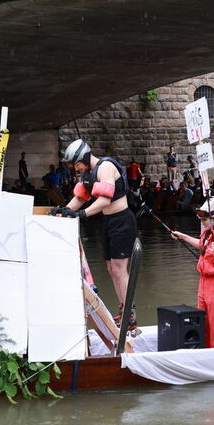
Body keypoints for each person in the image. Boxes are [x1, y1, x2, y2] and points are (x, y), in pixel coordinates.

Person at [53, 138, 140, 327]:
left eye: (76, 164)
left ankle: (129, 313)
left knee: (119, 268)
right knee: (111, 269)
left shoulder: (105, 167)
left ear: (83, 157)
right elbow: (79, 198)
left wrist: (80, 214)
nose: (76, 169)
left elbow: (104, 201)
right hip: (108, 222)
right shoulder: (88, 174)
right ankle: (124, 309)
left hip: (122, 221)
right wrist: (62, 212)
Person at [171, 198, 214, 348]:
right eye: (201, 219)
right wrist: (182, 236)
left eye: (205, 219)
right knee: (202, 321)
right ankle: (206, 350)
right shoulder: (208, 233)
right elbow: (201, 245)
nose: (202, 222)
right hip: (204, 282)